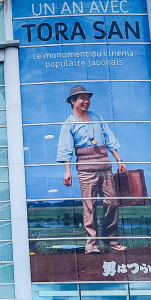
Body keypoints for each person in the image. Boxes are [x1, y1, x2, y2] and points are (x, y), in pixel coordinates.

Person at [57, 85, 128, 254]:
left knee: (112, 202)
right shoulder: (68, 124)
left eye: (88, 98)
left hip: (105, 166)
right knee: (89, 206)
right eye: (82, 98)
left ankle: (110, 238)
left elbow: (110, 139)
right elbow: (65, 149)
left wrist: (119, 160)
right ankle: (91, 245)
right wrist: (67, 171)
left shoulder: (97, 117)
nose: (86, 101)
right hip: (85, 169)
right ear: (73, 101)